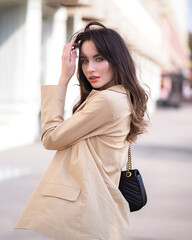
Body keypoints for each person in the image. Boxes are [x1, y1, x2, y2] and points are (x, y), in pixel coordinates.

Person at [15, 22, 148, 240]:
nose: (90, 69)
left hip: (87, 213)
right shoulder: (121, 95)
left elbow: (51, 138)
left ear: (117, 61)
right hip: (97, 210)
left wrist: (63, 78)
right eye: (84, 60)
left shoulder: (107, 100)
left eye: (99, 59)